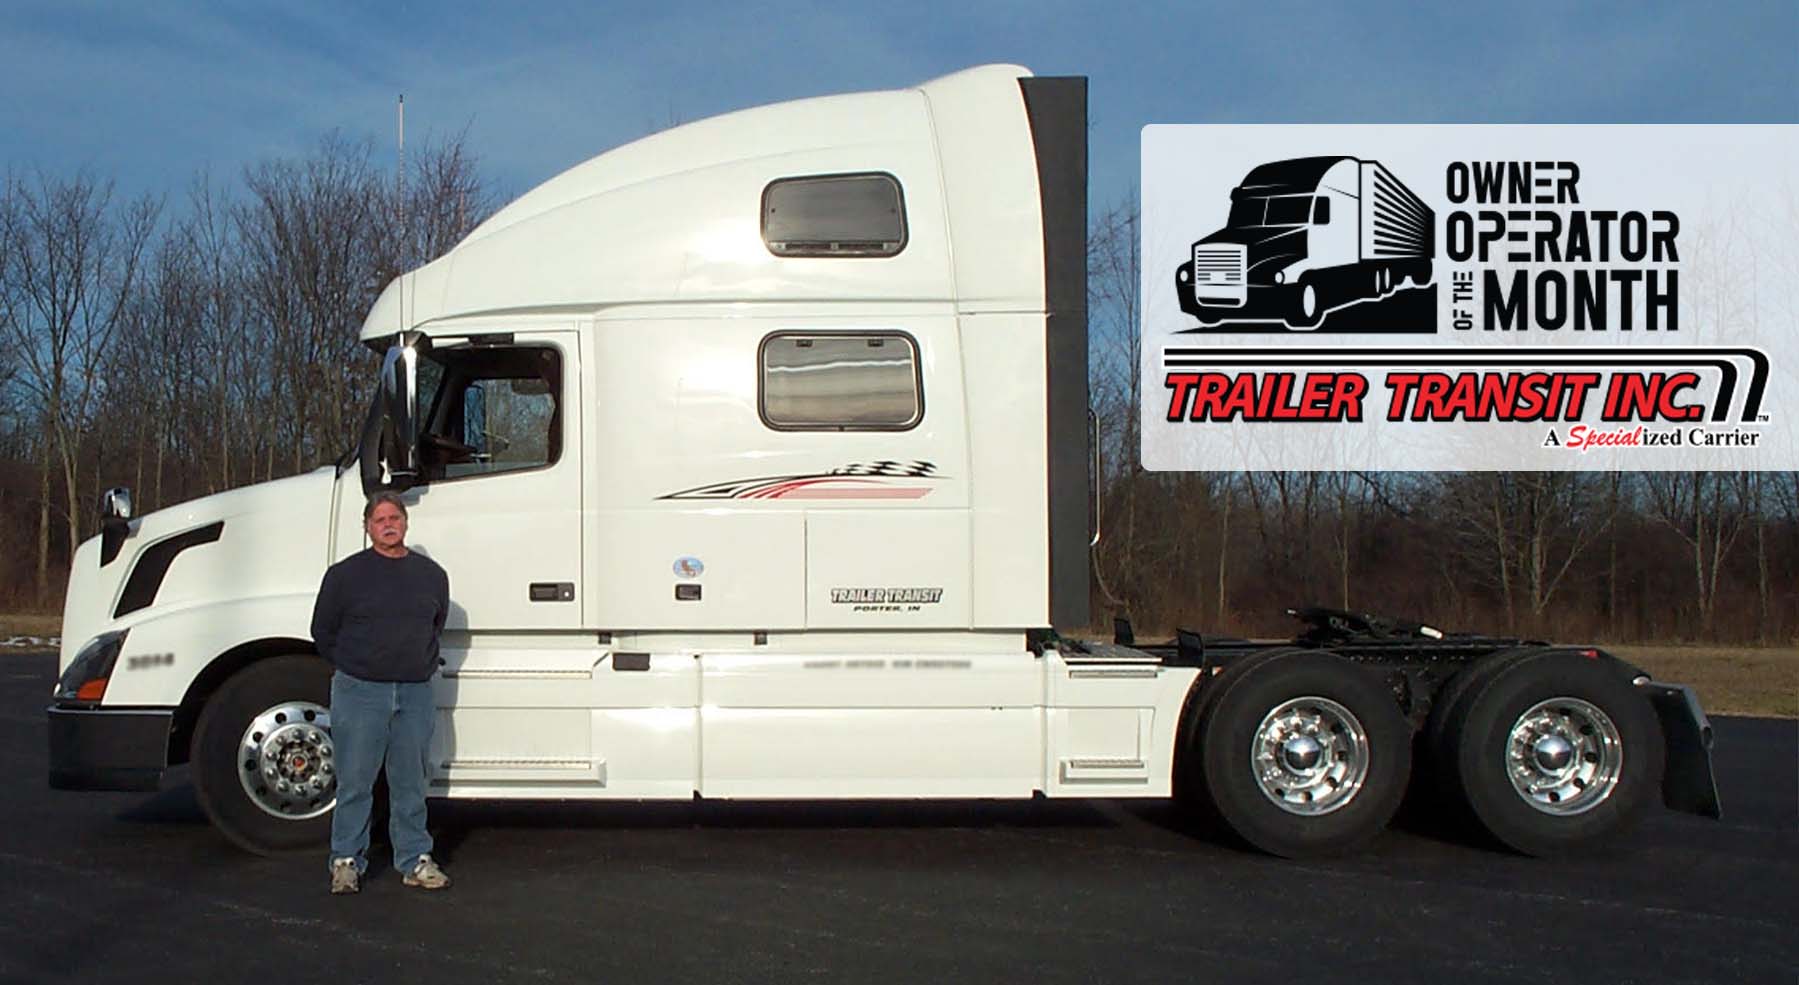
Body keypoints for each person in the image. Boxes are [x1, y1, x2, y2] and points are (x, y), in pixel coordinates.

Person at [311, 491, 451, 894]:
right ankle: (345, 861)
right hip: (360, 690)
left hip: (414, 693)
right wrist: (357, 668)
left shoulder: (432, 575)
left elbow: (435, 623)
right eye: (379, 519)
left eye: (395, 517)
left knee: (410, 780)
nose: (388, 524)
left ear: (406, 523)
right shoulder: (344, 575)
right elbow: (323, 631)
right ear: (367, 527)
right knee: (356, 780)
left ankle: (414, 859)